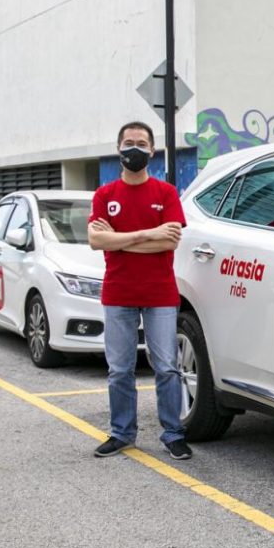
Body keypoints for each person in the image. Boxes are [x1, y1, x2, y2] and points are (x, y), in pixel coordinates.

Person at [87, 121, 192, 461]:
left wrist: (119, 240)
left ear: (152, 150)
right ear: (119, 148)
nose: (135, 148)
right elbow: (95, 240)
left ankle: (173, 434)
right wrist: (148, 235)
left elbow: (171, 239)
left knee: (167, 368)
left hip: (160, 294)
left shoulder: (166, 193)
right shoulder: (105, 195)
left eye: (142, 143)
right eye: (129, 142)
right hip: (118, 293)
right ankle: (122, 433)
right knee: (119, 369)